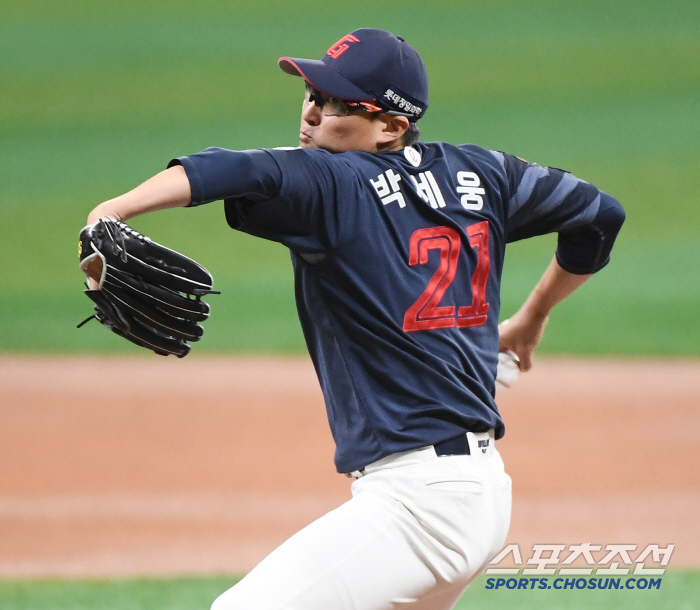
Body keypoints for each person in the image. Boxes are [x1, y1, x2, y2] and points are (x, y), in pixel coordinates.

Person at [86, 28, 625, 610]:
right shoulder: (486, 174)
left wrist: (110, 210)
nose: (313, 115)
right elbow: (600, 216)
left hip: (418, 507)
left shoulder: (331, 181)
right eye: (311, 95)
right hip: (481, 497)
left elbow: (233, 170)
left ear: (390, 126)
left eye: (338, 105)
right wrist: (532, 317)